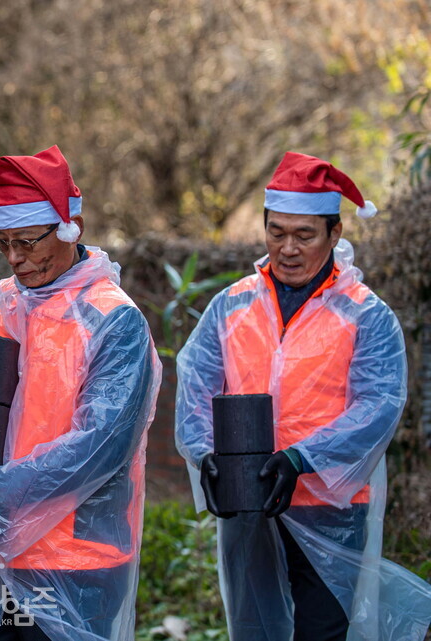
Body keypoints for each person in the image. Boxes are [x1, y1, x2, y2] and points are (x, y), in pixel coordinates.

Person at [175, 152, 431, 641]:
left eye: (305, 235)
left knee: (322, 633)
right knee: (255, 630)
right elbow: (196, 389)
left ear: (336, 234)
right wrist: (204, 453)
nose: (287, 248)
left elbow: (378, 407)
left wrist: (300, 458)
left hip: (331, 508)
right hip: (247, 499)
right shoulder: (231, 304)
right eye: (276, 232)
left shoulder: (366, 315)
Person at [0, 146, 161, 641]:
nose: (14, 258)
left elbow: (98, 448)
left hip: (74, 563)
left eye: (27, 241)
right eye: (2, 242)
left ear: (73, 227)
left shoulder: (114, 320)